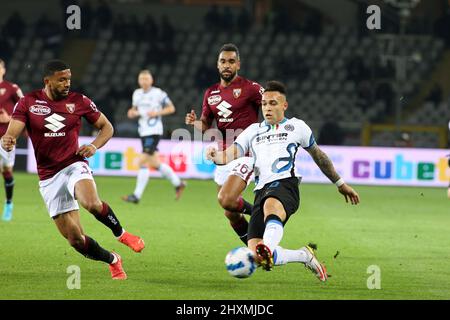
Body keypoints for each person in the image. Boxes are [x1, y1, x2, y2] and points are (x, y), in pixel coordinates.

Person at [1, 60, 145, 280]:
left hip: (73, 164)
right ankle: (113, 260)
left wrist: (94, 145)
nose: (67, 83)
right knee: (76, 240)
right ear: (47, 81)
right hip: (48, 177)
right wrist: (8, 139)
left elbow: (107, 127)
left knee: (91, 202)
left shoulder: (80, 101)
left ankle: (122, 234)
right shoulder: (28, 102)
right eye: (62, 80)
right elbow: (12, 131)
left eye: (69, 79)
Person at [206, 81, 360, 281]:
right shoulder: (253, 131)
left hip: (286, 185)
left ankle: (267, 247)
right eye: (264, 104)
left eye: (273, 103)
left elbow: (319, 156)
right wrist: (214, 156)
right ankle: (303, 255)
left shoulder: (297, 126)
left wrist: (340, 184)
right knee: (257, 257)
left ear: (284, 105)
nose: (267, 108)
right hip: (260, 191)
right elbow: (229, 155)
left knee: (271, 206)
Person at [185, 43, 263, 245]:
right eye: (223, 61)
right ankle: (256, 250)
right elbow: (205, 124)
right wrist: (195, 122)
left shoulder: (251, 88)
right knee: (230, 212)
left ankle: (263, 214)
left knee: (227, 199)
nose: (226, 65)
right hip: (223, 153)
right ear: (217, 65)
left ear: (238, 64)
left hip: (245, 151)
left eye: (231, 61)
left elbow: (274, 104)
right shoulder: (211, 93)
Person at [122, 69, 185, 204]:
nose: (144, 81)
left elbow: (171, 108)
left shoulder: (158, 93)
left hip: (154, 131)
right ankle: (178, 183)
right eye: (141, 79)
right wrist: (131, 113)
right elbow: (133, 110)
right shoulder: (137, 93)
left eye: (146, 79)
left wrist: (157, 113)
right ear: (139, 81)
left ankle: (136, 196)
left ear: (151, 80)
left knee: (141, 161)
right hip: (143, 132)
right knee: (155, 163)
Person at [0, 58, 23, 221]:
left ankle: (9, 203)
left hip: (6, 138)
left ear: (3, 70)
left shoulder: (12, 88)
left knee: (6, 171)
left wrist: (10, 120)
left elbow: (24, 108)